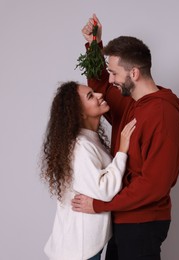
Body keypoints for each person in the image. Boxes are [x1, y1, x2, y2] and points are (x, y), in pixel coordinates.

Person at [71, 14, 179, 260]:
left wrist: (98, 205)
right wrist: (93, 44)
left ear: (133, 73)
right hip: (122, 219)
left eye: (113, 73)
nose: (110, 79)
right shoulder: (131, 103)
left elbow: (155, 185)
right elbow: (99, 87)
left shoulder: (162, 115)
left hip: (142, 223)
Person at [41, 81, 136, 260]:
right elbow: (104, 191)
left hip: (82, 248)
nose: (100, 95)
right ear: (80, 112)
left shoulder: (90, 140)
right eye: (91, 96)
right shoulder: (80, 146)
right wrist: (122, 151)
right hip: (77, 251)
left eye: (94, 92)